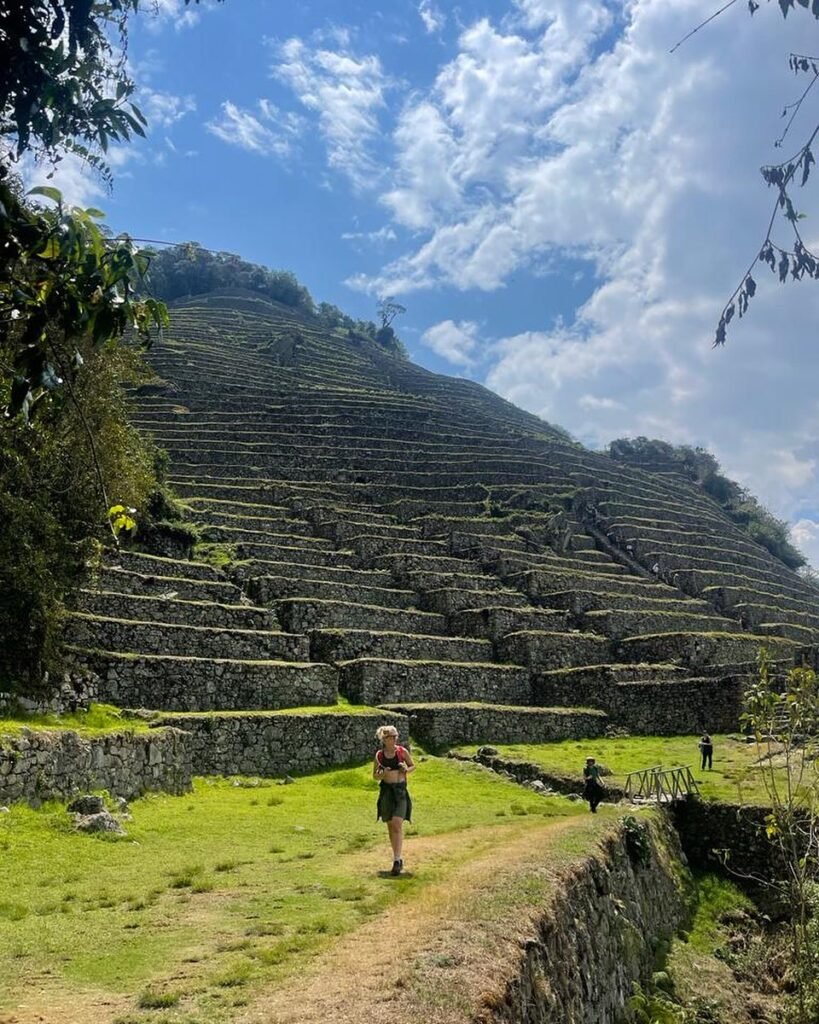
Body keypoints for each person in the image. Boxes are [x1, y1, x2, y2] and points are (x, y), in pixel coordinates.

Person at [373, 724, 415, 875]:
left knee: (397, 823)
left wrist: (406, 769)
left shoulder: (402, 752)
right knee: (391, 825)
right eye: (390, 736)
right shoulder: (379, 755)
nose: (394, 738)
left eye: (395, 736)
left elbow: (412, 766)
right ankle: (397, 857)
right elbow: (375, 776)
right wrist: (382, 773)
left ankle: (397, 860)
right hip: (386, 792)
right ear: (384, 739)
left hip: (400, 791)